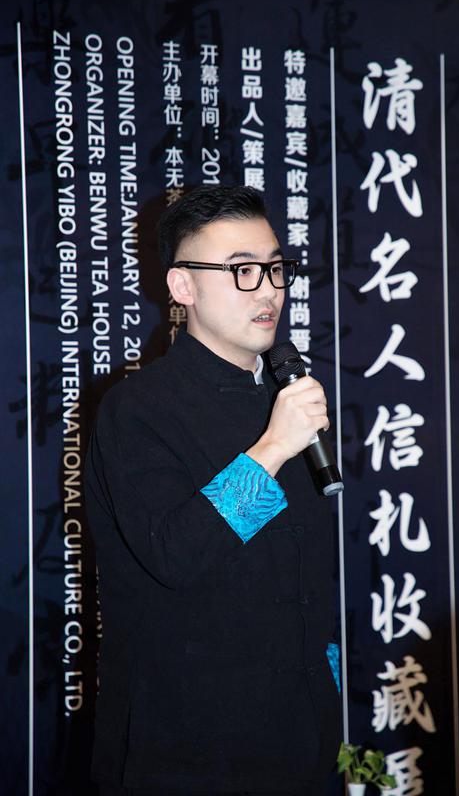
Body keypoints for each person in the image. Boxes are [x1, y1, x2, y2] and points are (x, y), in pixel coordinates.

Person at [84, 185, 341, 796]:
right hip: (186, 748)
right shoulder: (137, 409)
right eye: (242, 271)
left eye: (275, 268)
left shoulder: (284, 398)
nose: (268, 290)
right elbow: (176, 555)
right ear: (183, 287)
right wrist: (272, 448)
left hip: (300, 740)